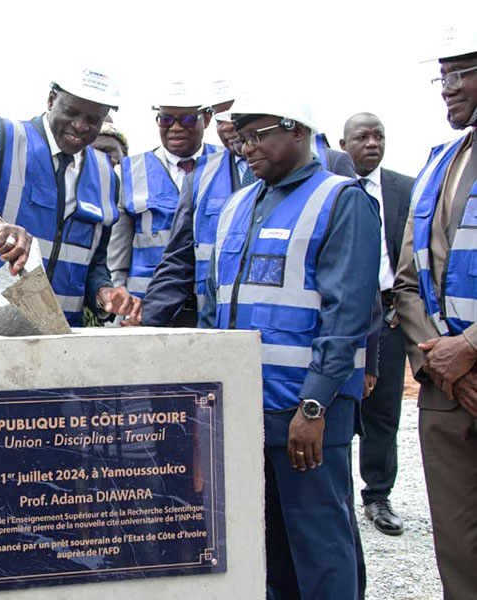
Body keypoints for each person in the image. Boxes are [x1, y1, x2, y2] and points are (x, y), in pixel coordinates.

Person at [199, 93, 380, 598]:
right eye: (240, 138)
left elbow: (346, 317)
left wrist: (315, 405)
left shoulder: (342, 200)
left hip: (306, 413)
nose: (245, 148)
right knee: (268, 551)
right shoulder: (237, 205)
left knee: (321, 550)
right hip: (246, 413)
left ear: (297, 130)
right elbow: (217, 310)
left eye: (257, 135)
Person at [0, 68, 140, 329]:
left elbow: (94, 262)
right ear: (51, 99)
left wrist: (104, 292)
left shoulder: (107, 177)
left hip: (58, 339)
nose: (80, 126)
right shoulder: (4, 138)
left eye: (93, 120)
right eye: (71, 112)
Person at [393, 25, 477, 598]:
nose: (446, 87)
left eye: (461, 72)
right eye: (442, 75)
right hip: (447, 387)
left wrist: (472, 347)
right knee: (458, 541)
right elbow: (405, 283)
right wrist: (446, 363)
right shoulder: (441, 161)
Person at [339, 112, 415, 536]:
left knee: (383, 410)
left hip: (390, 313)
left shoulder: (405, 187)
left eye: (378, 136)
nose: (372, 143)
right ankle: (339, 495)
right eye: (362, 137)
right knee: (342, 407)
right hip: (347, 316)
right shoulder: (335, 190)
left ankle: (378, 495)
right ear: (344, 143)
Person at [108, 81, 220, 300]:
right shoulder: (129, 172)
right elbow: (116, 258)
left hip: (208, 307)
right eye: (167, 119)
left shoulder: (226, 167)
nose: (176, 128)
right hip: (147, 307)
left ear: (206, 119)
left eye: (187, 119)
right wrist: (119, 307)